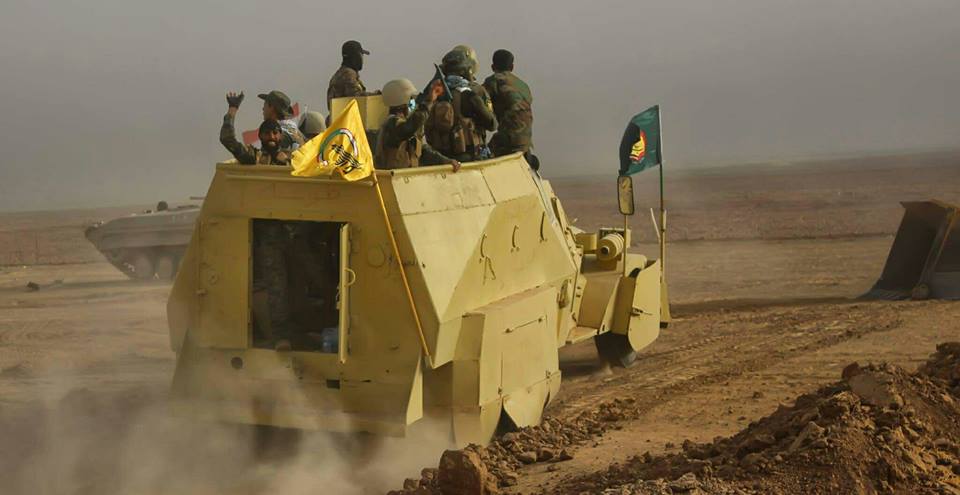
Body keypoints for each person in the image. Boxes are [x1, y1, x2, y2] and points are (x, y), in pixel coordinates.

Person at [425, 48, 497, 162]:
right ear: (465, 70)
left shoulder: (433, 93)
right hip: (468, 158)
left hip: (441, 158)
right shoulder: (472, 94)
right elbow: (492, 125)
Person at [375, 79, 460, 171]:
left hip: (406, 180)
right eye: (411, 103)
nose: (413, 106)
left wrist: (446, 161)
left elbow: (422, 151)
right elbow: (409, 127)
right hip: (390, 181)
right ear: (402, 104)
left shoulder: (405, 126)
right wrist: (428, 103)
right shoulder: (392, 125)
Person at [483, 49, 534, 159]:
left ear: (492, 67)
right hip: (526, 141)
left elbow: (479, 103)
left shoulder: (492, 81)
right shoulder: (523, 85)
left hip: (508, 139)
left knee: (481, 156)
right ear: (512, 67)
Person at [220, 91, 290, 165]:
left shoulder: (291, 157)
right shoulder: (253, 157)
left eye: (275, 133)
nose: (271, 136)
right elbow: (227, 139)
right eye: (267, 133)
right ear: (260, 136)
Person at [327, 40, 377, 114]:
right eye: (361, 55)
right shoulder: (348, 74)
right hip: (348, 121)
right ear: (356, 56)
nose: (362, 59)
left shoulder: (341, 73)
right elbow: (357, 97)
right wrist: (377, 95)